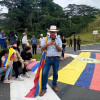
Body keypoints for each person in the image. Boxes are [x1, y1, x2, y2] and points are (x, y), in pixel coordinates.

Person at [39, 25, 62, 96]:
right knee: (44, 73)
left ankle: (54, 85)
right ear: (49, 32)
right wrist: (47, 45)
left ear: (55, 32)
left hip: (56, 58)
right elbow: (42, 48)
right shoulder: (45, 39)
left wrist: (55, 45)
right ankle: (43, 88)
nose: (52, 33)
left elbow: (60, 49)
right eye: (51, 32)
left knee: (55, 73)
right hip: (48, 58)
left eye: (54, 32)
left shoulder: (58, 39)